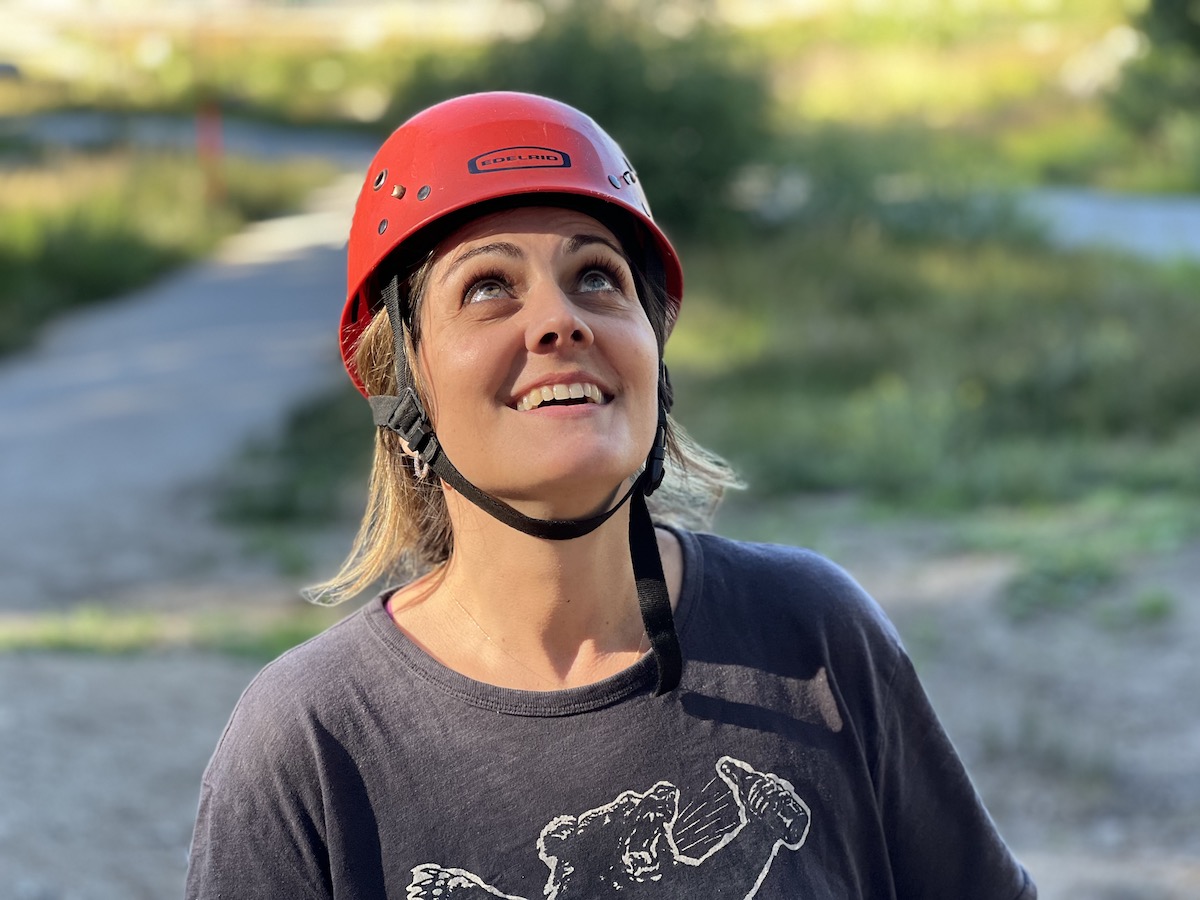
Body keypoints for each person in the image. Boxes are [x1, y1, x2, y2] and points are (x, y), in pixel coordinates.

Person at [186, 91, 1036, 899]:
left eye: (597, 276)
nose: (561, 320)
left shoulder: (811, 637)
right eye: (488, 287)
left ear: (653, 353)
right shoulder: (312, 741)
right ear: (398, 380)